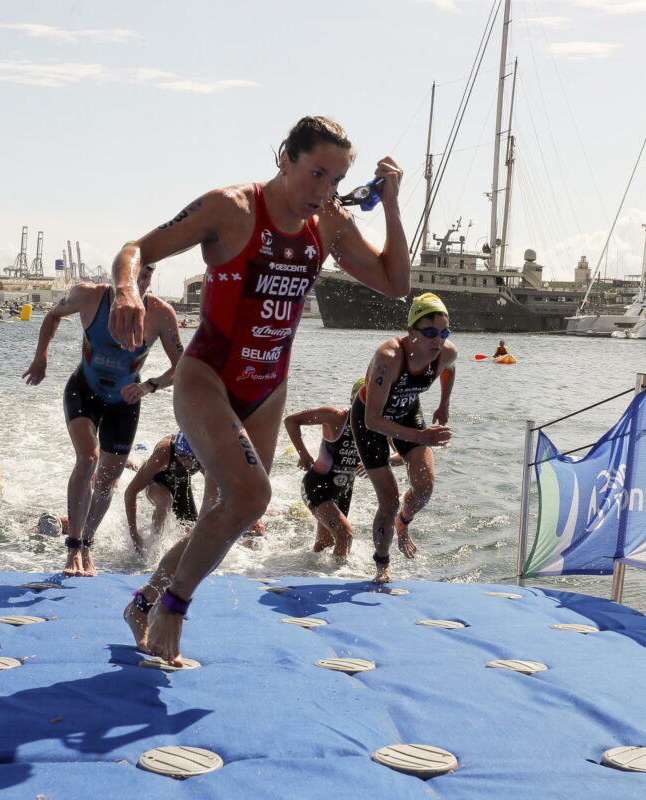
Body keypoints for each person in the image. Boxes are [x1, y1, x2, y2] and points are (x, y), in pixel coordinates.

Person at [109, 115, 411, 664]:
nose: (323, 192)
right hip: (207, 377)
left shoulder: (331, 224)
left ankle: (144, 601)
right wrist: (127, 289)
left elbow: (395, 285)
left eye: (335, 181)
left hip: (268, 386)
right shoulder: (232, 208)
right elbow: (137, 249)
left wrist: (390, 203)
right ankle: (173, 607)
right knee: (252, 496)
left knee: (228, 514)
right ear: (285, 159)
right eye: (315, 174)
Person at [22, 256, 183, 578]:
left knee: (108, 481)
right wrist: (41, 356)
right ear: (118, 278)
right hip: (84, 390)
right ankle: (72, 547)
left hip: (125, 401)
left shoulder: (161, 314)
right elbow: (53, 315)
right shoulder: (87, 295)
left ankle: (86, 545)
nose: (140, 285)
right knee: (87, 459)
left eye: (147, 278)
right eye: (135, 278)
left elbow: (182, 365)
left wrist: (149, 386)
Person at [353, 293, 457, 583]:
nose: (437, 341)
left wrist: (443, 403)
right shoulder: (389, 357)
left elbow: (449, 368)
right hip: (370, 422)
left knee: (425, 487)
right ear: (411, 331)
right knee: (389, 499)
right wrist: (420, 436)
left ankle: (403, 523)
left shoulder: (446, 352)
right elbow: (372, 419)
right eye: (430, 333)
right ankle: (382, 563)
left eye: (444, 333)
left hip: (408, 412)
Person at [284, 378, 366, 560]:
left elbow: (400, 455)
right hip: (317, 486)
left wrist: (378, 464)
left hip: (343, 490)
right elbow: (291, 421)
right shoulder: (335, 416)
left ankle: (308, 574)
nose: (367, 405)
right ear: (353, 399)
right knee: (345, 534)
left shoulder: (379, 428)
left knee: (324, 545)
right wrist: (303, 454)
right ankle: (339, 577)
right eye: (363, 398)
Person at [123, 432, 203, 556]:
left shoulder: (205, 456)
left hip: (181, 480)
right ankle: (154, 544)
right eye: (183, 456)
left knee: (191, 532)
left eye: (193, 457)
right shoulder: (162, 454)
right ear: (176, 451)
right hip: (158, 477)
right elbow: (130, 492)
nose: (189, 462)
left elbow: (218, 492)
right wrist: (134, 533)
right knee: (165, 503)